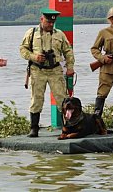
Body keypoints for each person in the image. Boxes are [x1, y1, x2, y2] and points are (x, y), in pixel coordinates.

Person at [20, 8, 75, 137]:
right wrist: (34, 57)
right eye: (48, 22)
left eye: (52, 23)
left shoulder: (59, 34)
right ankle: (34, 128)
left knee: (63, 100)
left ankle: (68, 127)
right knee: (36, 99)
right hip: (37, 70)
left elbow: (68, 51)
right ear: (42, 19)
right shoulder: (32, 33)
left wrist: (70, 67)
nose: (50, 24)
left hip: (55, 70)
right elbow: (23, 49)